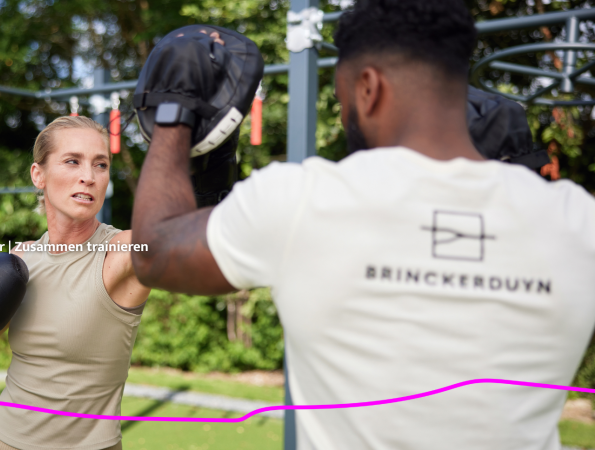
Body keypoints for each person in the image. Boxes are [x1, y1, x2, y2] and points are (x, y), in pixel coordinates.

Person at [129, 1, 595, 449]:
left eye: (342, 97)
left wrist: (176, 110)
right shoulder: (577, 221)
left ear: (368, 88)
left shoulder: (303, 200)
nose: (345, 111)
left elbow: (154, 251)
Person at [0, 116, 150, 450]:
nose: (89, 176)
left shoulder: (121, 252)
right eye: (72, 161)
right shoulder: (19, 262)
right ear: (38, 175)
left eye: (101, 165)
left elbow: (184, 239)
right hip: (2, 440)